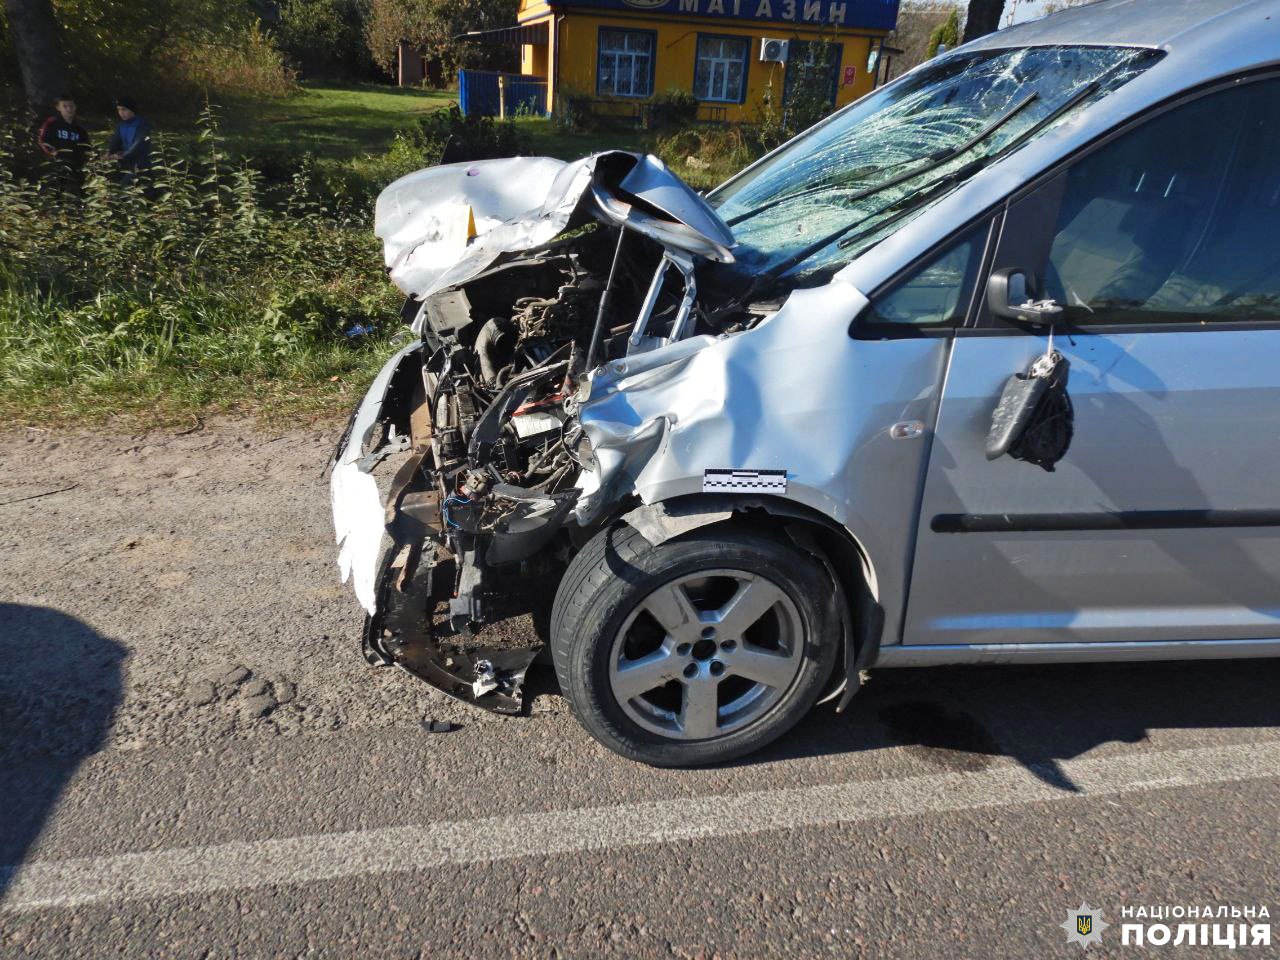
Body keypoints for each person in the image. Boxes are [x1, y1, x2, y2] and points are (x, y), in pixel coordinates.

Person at [37, 94, 90, 187]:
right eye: (65, 106)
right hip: (56, 164)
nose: (69, 109)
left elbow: (87, 147)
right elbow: (42, 140)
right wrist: (52, 153)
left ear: (75, 107)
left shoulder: (80, 128)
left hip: (76, 166)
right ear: (58, 107)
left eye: (71, 106)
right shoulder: (52, 123)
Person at [106, 97, 152, 183]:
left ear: (132, 110)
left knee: (123, 188)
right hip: (125, 164)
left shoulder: (142, 124)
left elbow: (139, 144)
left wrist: (123, 155)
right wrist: (109, 152)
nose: (121, 113)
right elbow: (116, 141)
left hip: (139, 165)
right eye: (119, 110)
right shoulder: (121, 125)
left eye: (124, 109)